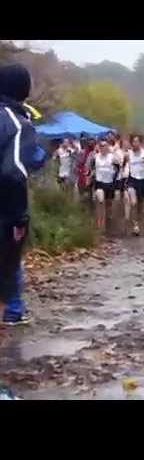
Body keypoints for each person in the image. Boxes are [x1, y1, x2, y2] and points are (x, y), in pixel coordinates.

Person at [0, 63, 47, 326]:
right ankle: (13, 311)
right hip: (4, 208)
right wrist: (19, 216)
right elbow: (13, 171)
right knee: (9, 261)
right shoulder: (18, 124)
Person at [123, 134, 144, 236]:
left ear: (140, 143)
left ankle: (138, 222)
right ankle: (135, 225)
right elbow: (123, 165)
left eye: (137, 142)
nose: (135, 144)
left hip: (142, 180)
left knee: (140, 205)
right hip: (132, 180)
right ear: (131, 143)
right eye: (133, 142)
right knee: (133, 202)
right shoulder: (128, 154)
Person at [93, 139, 119, 230]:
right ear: (99, 147)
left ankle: (107, 220)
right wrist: (89, 176)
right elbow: (91, 168)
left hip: (109, 183)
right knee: (100, 201)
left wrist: (115, 176)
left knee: (108, 203)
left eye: (105, 146)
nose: (103, 148)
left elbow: (118, 167)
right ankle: (100, 225)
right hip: (99, 183)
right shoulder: (96, 157)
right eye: (101, 146)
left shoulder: (112, 157)